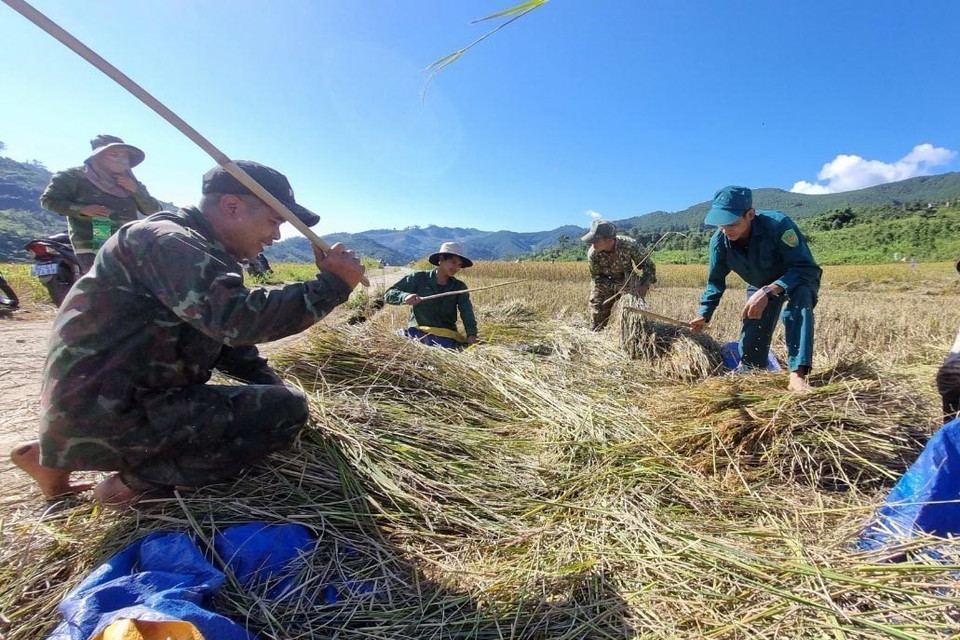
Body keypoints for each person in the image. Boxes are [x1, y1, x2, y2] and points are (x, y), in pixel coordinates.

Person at [11, 161, 365, 504]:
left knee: (273, 400)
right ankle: (130, 486)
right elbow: (236, 319)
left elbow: (227, 343)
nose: (275, 236)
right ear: (231, 205)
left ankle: (55, 455)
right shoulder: (167, 241)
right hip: (112, 408)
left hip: (97, 404)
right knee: (287, 412)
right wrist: (332, 286)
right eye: (274, 221)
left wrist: (270, 383)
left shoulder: (198, 248)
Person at [690, 186, 821, 392]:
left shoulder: (778, 225)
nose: (726, 229)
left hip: (795, 279)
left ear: (750, 214)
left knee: (799, 305)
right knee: (752, 341)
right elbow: (715, 282)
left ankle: (798, 375)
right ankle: (753, 373)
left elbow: (806, 267)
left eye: (732, 223)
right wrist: (704, 314)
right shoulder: (720, 241)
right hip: (759, 285)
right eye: (721, 225)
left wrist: (771, 290)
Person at [40, 135, 162, 274]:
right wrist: (83, 209)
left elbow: (155, 211)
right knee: (103, 289)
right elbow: (49, 200)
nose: (120, 159)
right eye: (113, 154)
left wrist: (135, 190)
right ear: (98, 156)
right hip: (91, 246)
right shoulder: (72, 177)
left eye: (124, 155)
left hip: (127, 244)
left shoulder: (131, 181)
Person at [384, 242, 478, 349]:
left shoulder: (459, 287)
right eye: (453, 262)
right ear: (441, 259)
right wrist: (405, 297)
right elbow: (389, 294)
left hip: (446, 336)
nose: (456, 267)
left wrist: (471, 335)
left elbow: (467, 313)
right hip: (419, 332)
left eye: (459, 265)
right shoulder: (418, 278)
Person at [582, 220, 657, 331]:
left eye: (596, 240)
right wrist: (616, 287)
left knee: (633, 311)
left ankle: (634, 332)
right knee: (597, 305)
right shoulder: (593, 253)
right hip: (606, 282)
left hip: (628, 280)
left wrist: (644, 286)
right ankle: (597, 332)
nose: (592, 244)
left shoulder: (630, 245)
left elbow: (649, 267)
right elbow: (597, 278)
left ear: (610, 240)